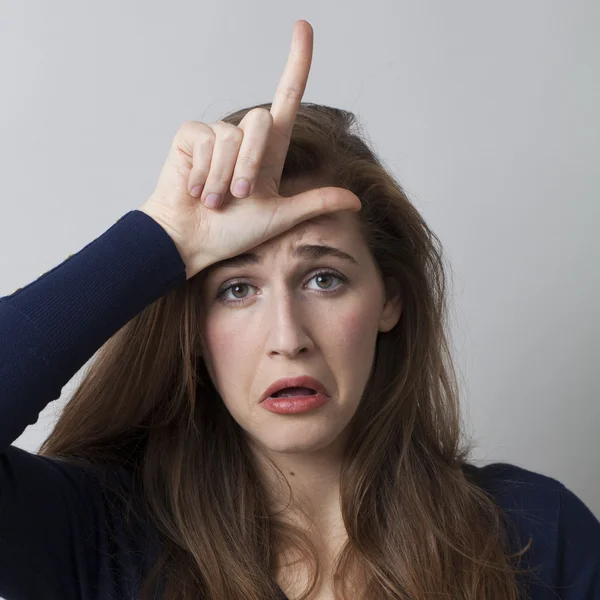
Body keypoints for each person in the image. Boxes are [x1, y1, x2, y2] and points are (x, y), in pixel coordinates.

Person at [0, 18, 599, 600]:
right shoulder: (91, 538)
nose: (288, 338)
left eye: (323, 278)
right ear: (193, 331)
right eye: (237, 289)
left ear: (389, 299)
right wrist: (162, 239)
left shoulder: (537, 537)